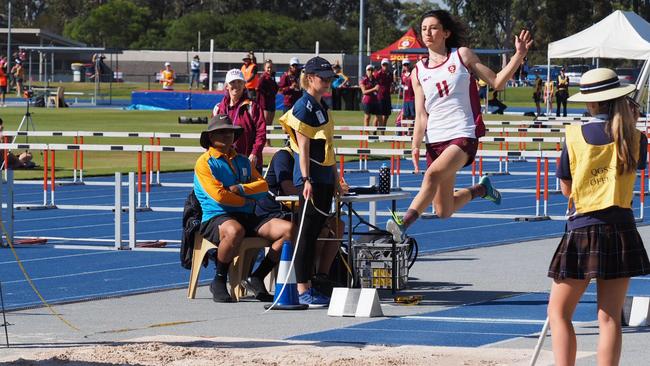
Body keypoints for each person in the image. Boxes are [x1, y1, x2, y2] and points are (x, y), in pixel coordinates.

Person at [386, 9, 532, 241]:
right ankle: (482, 189)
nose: (428, 33)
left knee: (432, 176)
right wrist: (415, 145)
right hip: (435, 140)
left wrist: (518, 56)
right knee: (444, 210)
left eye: (433, 28)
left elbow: (497, 82)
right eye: (424, 29)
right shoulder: (418, 72)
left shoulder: (461, 56)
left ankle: (403, 222)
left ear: (446, 32)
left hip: (462, 134)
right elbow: (421, 114)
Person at [547, 68, 650, 366]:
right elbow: (636, 163)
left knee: (559, 313)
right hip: (621, 229)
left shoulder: (574, 134)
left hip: (583, 227)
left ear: (590, 102)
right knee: (609, 317)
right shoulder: (636, 137)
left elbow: (567, 187)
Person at [194, 114, 293, 303]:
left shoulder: (242, 160)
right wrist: (247, 199)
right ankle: (219, 280)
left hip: (248, 215)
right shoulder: (204, 163)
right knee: (234, 230)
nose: (227, 136)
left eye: (230, 132)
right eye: (221, 132)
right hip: (216, 216)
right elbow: (219, 196)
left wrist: (240, 189)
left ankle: (256, 276)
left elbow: (263, 187)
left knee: (289, 230)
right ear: (210, 138)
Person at [278, 56, 342, 306]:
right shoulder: (303, 106)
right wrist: (305, 179)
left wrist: (335, 179)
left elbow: (329, 147)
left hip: (325, 176)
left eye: (330, 79)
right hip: (311, 178)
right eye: (324, 78)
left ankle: (311, 284)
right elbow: (302, 149)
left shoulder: (321, 106)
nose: (328, 83)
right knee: (306, 234)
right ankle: (303, 287)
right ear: (310, 78)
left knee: (317, 232)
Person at [256, 145, 347, 296]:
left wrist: (335, 187)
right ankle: (307, 276)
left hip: (298, 209)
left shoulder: (311, 160)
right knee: (317, 228)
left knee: (337, 224)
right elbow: (289, 189)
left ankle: (322, 275)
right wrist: (317, 191)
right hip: (274, 210)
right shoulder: (284, 156)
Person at [212, 69, 266, 172]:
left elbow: (261, 133)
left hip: (248, 162)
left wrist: (255, 153)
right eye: (233, 82)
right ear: (226, 86)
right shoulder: (218, 109)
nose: (236, 85)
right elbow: (212, 137)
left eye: (239, 82)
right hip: (225, 164)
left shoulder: (252, 107)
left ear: (244, 85)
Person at [257, 59, 279, 139]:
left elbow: (276, 88)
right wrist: (266, 94)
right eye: (268, 67)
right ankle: (264, 141)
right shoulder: (263, 77)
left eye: (271, 67)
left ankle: (268, 141)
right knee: (265, 124)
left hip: (272, 102)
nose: (269, 69)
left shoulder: (272, 77)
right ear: (264, 68)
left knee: (270, 124)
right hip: (265, 104)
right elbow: (258, 88)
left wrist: (274, 91)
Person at [374, 58, 393, 132]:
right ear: (381, 65)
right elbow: (373, 83)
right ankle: (374, 133)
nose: (385, 66)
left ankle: (382, 134)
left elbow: (391, 84)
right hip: (379, 97)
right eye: (383, 64)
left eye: (386, 64)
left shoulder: (390, 74)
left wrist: (392, 88)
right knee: (378, 116)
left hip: (387, 97)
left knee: (386, 116)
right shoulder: (378, 74)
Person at [360, 64, 380, 131]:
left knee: (378, 116)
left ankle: (374, 132)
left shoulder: (375, 79)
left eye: (371, 70)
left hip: (375, 100)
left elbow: (378, 88)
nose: (370, 71)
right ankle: (367, 134)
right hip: (367, 101)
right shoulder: (363, 79)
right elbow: (364, 92)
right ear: (366, 71)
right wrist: (374, 89)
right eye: (369, 70)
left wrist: (377, 89)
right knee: (367, 117)